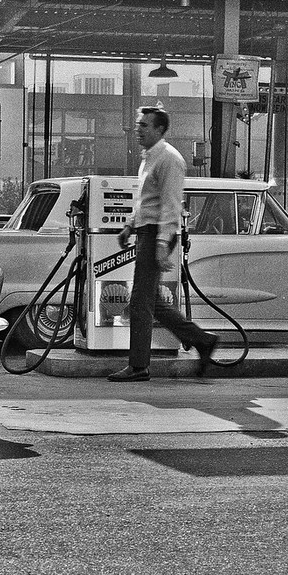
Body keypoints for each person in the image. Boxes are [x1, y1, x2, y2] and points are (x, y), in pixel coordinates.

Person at [109, 106, 219, 382]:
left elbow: (170, 206)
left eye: (145, 125)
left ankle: (138, 367)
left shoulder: (169, 159)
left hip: (158, 233)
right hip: (147, 232)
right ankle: (202, 341)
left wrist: (161, 244)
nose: (139, 129)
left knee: (139, 303)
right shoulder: (149, 157)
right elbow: (146, 199)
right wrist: (129, 225)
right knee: (152, 303)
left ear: (159, 130)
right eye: (138, 124)